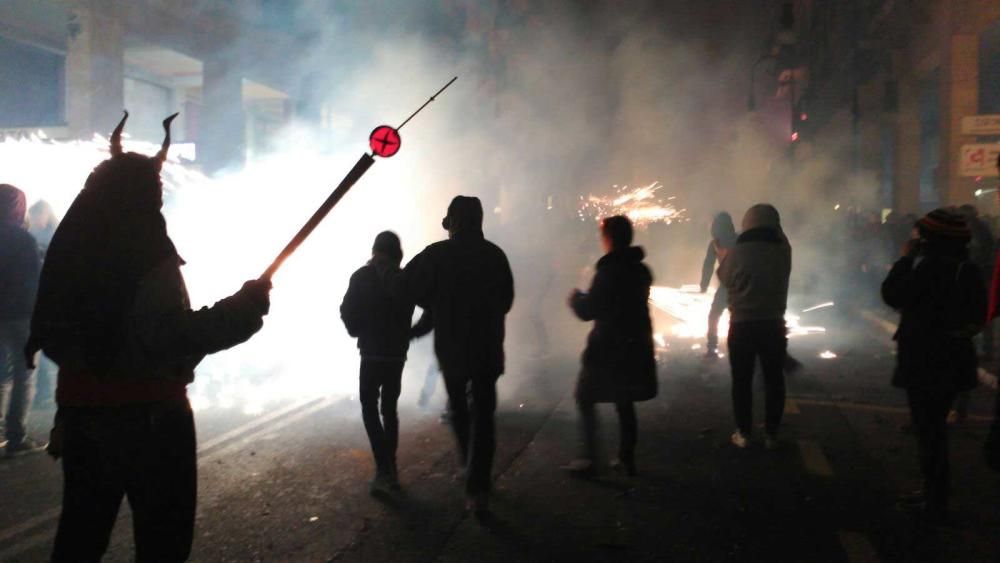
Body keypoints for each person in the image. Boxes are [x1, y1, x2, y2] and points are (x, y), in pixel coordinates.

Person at [27, 113, 272, 562]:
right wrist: (242, 309)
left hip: (82, 418)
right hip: (152, 421)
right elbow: (167, 337)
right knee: (163, 543)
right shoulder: (145, 252)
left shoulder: (73, 245)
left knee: (81, 538)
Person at [377, 195, 514, 517]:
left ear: (452, 221)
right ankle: (478, 485)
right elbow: (505, 301)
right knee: (484, 415)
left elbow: (403, 288)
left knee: (460, 413)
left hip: (453, 352)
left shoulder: (436, 255)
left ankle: (470, 470)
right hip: (487, 349)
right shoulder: (495, 256)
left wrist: (383, 265)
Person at [882, 208, 985, 523]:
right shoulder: (967, 269)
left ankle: (935, 500)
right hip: (953, 359)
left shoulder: (928, 268)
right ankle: (933, 494)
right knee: (934, 431)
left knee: (929, 433)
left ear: (930, 238)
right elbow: (977, 315)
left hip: (924, 360)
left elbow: (892, 294)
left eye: (919, 235)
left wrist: (903, 260)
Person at [565, 215, 657, 477]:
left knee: (584, 396)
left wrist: (576, 299)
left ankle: (590, 459)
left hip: (608, 347)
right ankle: (626, 457)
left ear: (610, 239)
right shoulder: (640, 270)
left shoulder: (608, 271)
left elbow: (590, 309)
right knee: (624, 400)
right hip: (635, 342)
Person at [340, 231, 426, 495]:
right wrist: (409, 334)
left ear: (375, 249)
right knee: (390, 409)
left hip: (371, 352)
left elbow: (347, 311)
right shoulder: (404, 279)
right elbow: (422, 309)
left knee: (369, 407)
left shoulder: (362, 276)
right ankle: (391, 467)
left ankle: (384, 467)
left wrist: (358, 331)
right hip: (396, 354)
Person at [717, 204, 792, 450]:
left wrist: (722, 257)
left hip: (742, 326)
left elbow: (725, 279)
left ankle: (744, 432)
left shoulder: (737, 252)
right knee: (774, 381)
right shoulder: (782, 251)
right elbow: (782, 238)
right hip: (773, 325)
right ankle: (772, 433)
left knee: (742, 381)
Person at [0, 184, 44, 455]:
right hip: (20, 315)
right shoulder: (23, 239)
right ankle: (16, 436)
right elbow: (34, 281)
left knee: (1, 375)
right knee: (23, 374)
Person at [700, 212, 737, 357]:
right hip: (735, 286)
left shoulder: (716, 243)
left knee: (715, 315)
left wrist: (704, 284)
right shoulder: (736, 240)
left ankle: (712, 347)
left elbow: (708, 264)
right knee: (725, 316)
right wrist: (704, 283)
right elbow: (708, 264)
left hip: (730, 286)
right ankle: (717, 346)